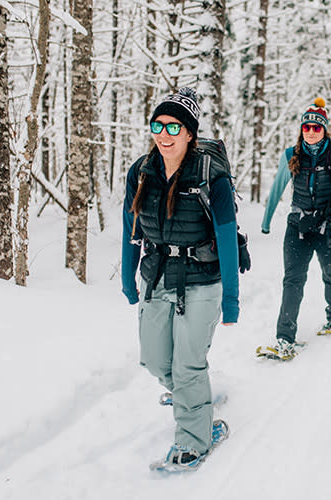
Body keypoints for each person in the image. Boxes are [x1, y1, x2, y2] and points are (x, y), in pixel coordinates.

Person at [121, 87, 237, 470]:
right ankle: (195, 401)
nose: (164, 133)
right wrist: (127, 275)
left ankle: (195, 440)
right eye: (158, 124)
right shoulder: (140, 172)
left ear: (190, 133)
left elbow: (226, 237)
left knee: (187, 364)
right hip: (156, 277)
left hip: (202, 279)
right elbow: (129, 229)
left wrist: (232, 300)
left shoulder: (211, 175)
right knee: (155, 361)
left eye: (174, 126)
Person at [260, 97, 331, 359]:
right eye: (306, 127)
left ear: (324, 130)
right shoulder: (291, 155)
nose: (311, 132)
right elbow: (277, 188)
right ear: (301, 129)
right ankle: (284, 338)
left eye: (316, 128)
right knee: (292, 279)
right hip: (299, 225)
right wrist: (266, 219)